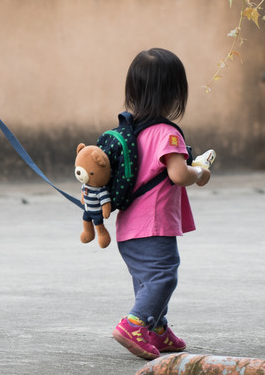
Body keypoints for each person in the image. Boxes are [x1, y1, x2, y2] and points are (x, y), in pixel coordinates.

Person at [110, 48, 211, 359]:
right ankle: (134, 324)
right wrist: (200, 172)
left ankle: (157, 329)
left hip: (128, 227)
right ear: (173, 94)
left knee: (147, 279)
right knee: (164, 276)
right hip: (154, 225)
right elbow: (179, 175)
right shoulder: (167, 134)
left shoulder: (130, 132)